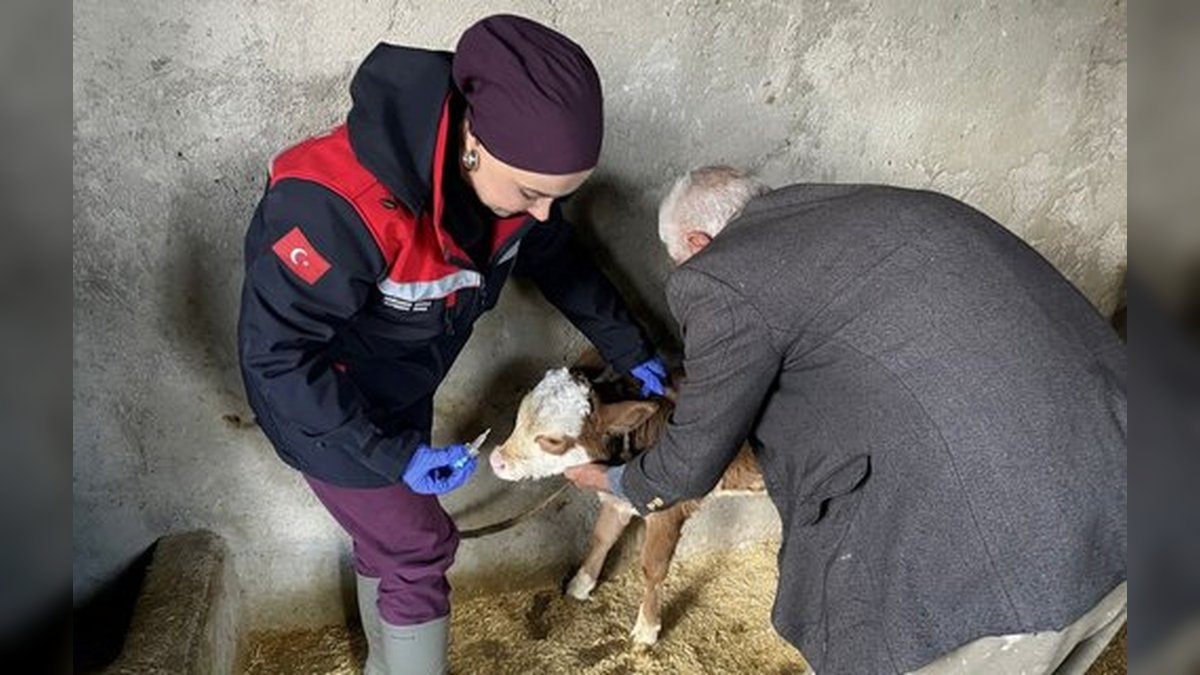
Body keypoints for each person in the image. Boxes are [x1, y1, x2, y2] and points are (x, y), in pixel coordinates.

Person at [566, 167, 1127, 674]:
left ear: (698, 243)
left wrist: (614, 480)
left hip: (1004, 562)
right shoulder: (892, 206)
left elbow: (690, 462)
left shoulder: (719, 275)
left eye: (682, 262)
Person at [236, 15, 667, 675]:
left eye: (558, 196)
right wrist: (388, 454)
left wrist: (628, 345)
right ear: (473, 140)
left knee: (388, 548)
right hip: (323, 404)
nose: (543, 212)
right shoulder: (335, 206)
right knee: (419, 548)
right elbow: (278, 358)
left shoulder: (513, 196)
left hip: (402, 386)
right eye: (533, 192)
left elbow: (556, 254)